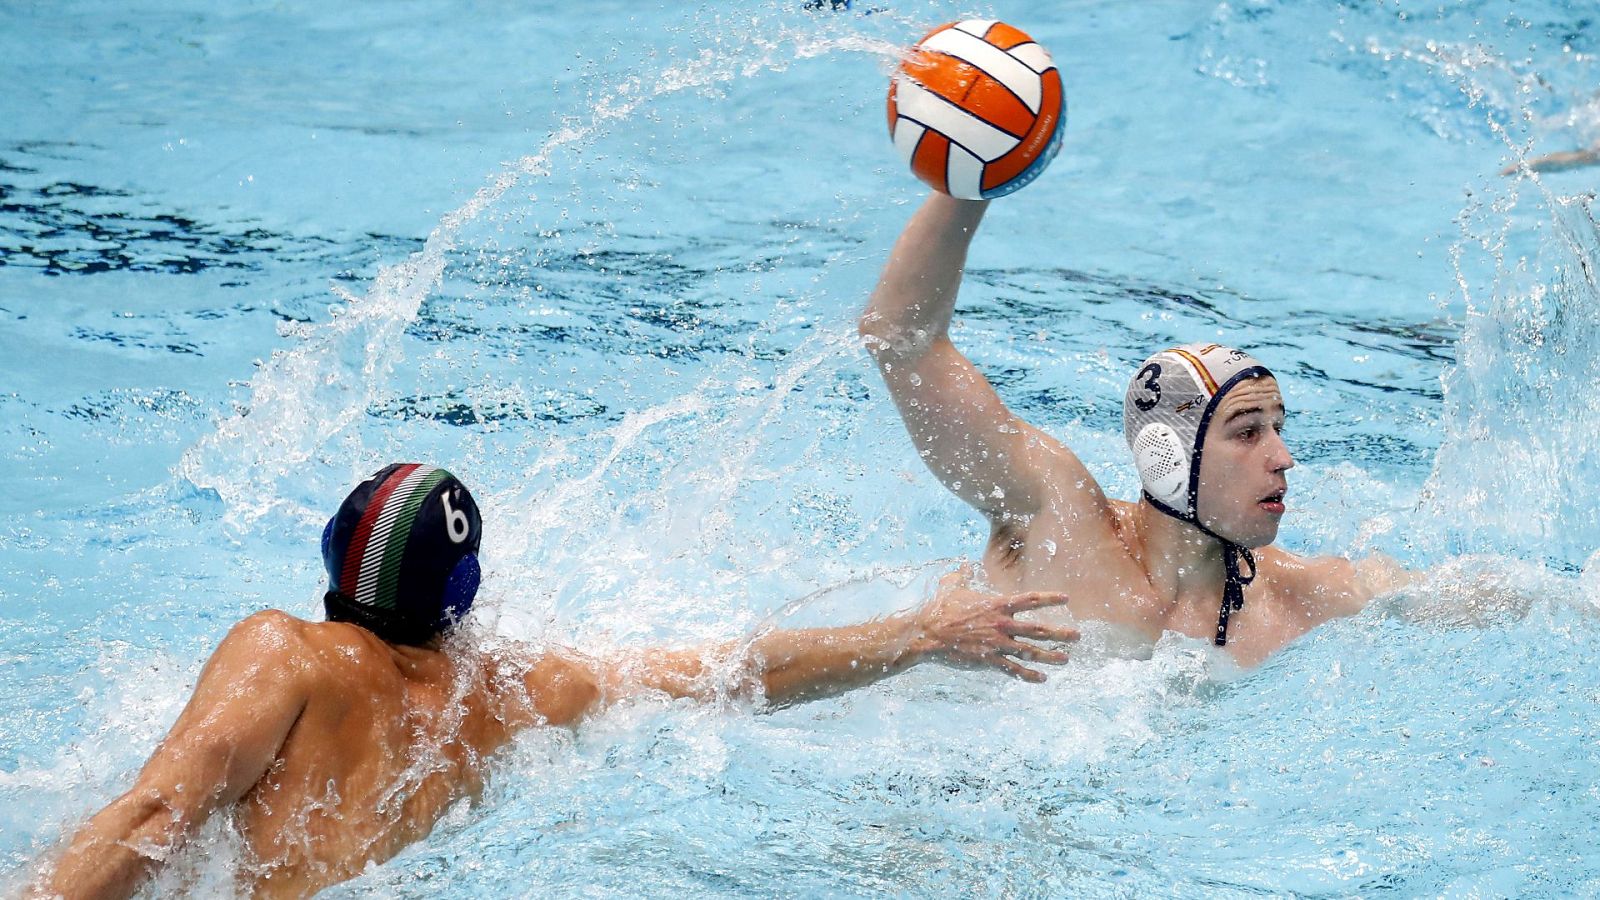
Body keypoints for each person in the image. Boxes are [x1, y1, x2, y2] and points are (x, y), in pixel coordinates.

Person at [31, 462, 1077, 899]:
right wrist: (920, 631)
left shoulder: (285, 652)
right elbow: (731, 674)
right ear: (466, 591)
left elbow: (163, 810)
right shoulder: (520, 696)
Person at [859, 193, 1416, 667]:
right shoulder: (1056, 522)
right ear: (1168, 455)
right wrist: (968, 183)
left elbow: (1461, 598)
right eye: (1248, 432)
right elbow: (900, 340)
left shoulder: (1301, 596)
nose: (1284, 457)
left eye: (1277, 428)